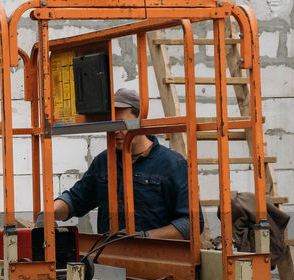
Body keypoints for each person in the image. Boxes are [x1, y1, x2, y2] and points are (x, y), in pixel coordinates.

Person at [48, 87, 193, 240]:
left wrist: (144, 238)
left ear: (140, 120)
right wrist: (50, 212)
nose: (115, 131)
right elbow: (76, 199)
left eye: (122, 124)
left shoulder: (172, 164)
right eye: (111, 125)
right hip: (111, 258)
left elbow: (190, 224)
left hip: (157, 259)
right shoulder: (104, 162)